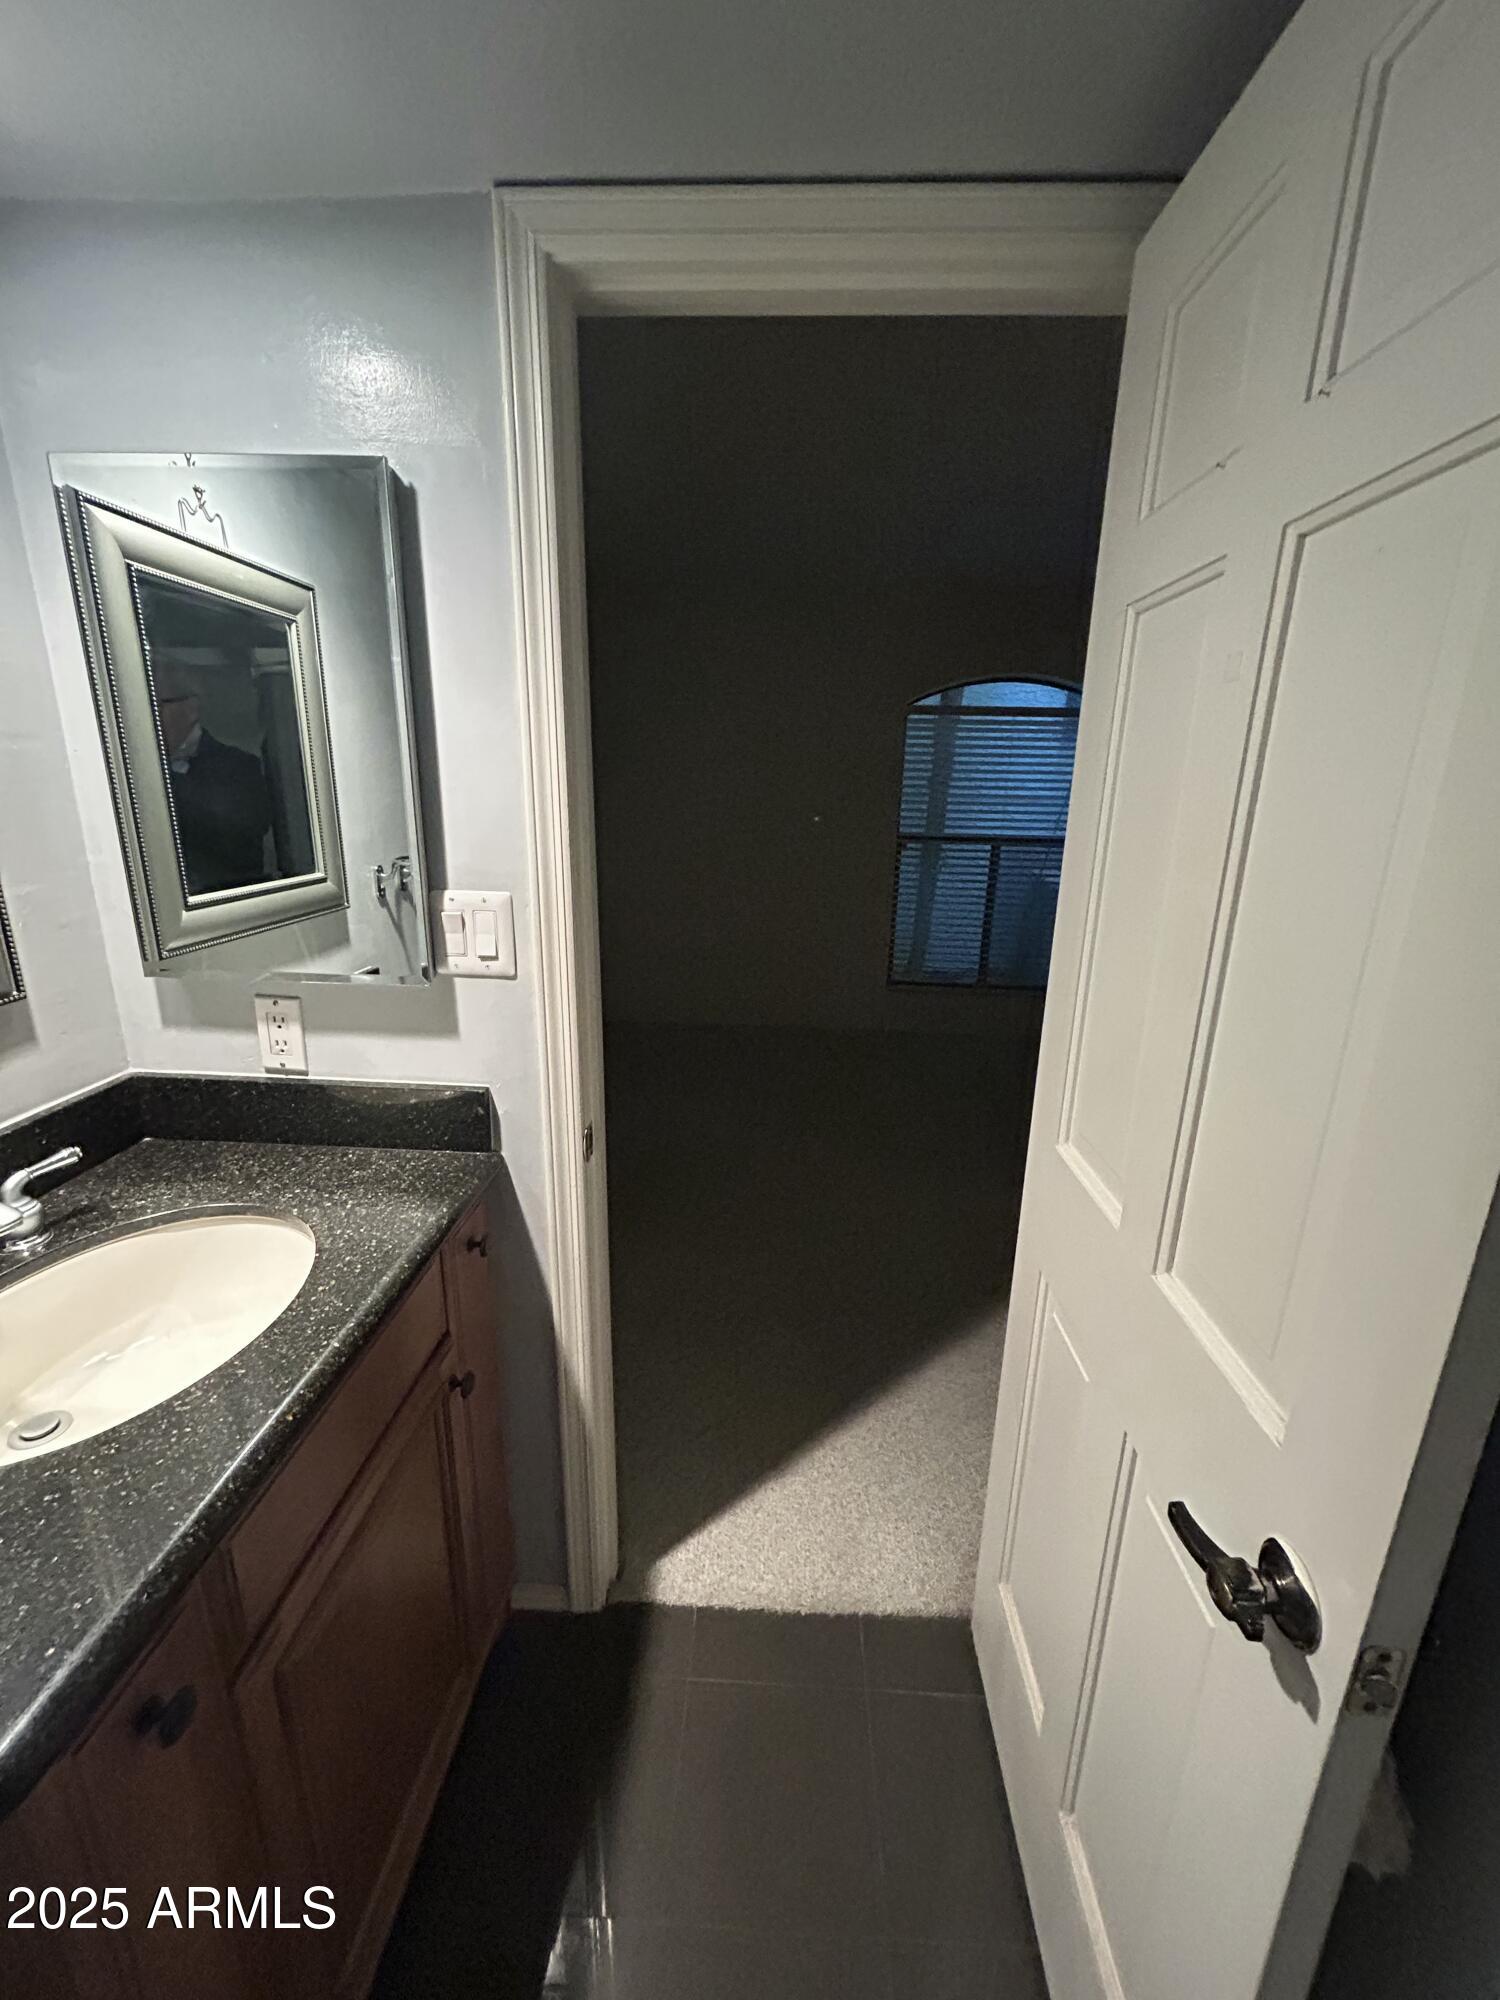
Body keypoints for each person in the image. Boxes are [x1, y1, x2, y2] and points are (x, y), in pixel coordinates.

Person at [152, 663, 275, 895]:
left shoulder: (238, 766)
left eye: (157, 704)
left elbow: (233, 834)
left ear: (191, 708)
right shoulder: (137, 767)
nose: (148, 716)